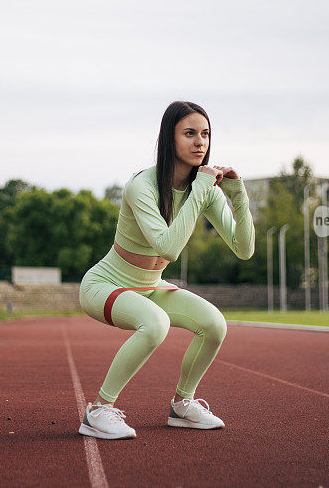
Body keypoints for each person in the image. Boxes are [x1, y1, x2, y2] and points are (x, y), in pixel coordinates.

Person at [77, 101, 255, 439]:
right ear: (168, 139)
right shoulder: (141, 186)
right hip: (105, 285)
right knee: (155, 323)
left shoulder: (202, 188)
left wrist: (238, 196)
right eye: (189, 133)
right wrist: (203, 187)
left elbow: (244, 250)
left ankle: (183, 405)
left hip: (150, 285)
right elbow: (169, 248)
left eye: (205, 134)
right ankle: (99, 410)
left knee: (214, 324)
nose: (200, 142)